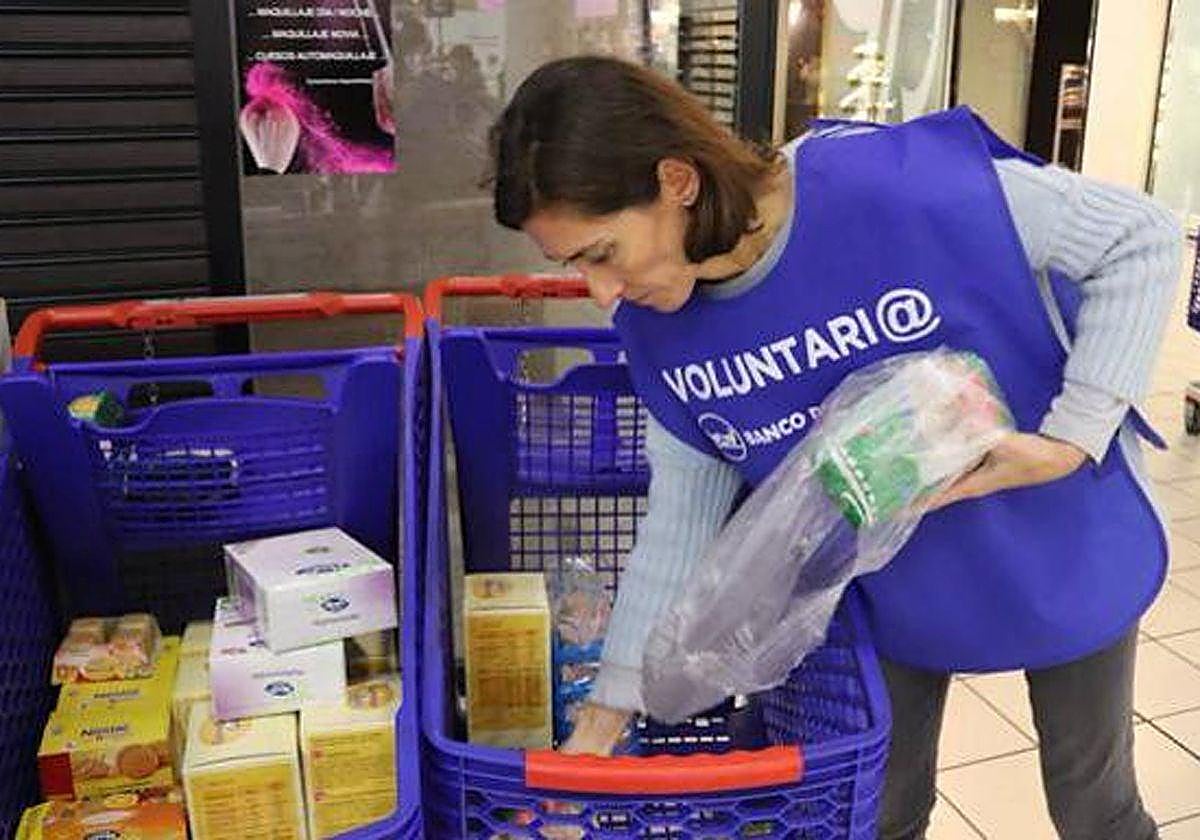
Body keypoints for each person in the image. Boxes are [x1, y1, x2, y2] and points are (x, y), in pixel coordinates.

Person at [486, 55, 1181, 840]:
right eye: (572, 265)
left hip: (1056, 542)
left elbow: (1142, 237)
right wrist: (595, 742)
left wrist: (1071, 438)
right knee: (877, 816)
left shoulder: (891, 190)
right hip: (892, 593)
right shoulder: (663, 337)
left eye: (601, 253)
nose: (599, 293)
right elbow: (675, 540)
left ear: (676, 181)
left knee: (1097, 808)